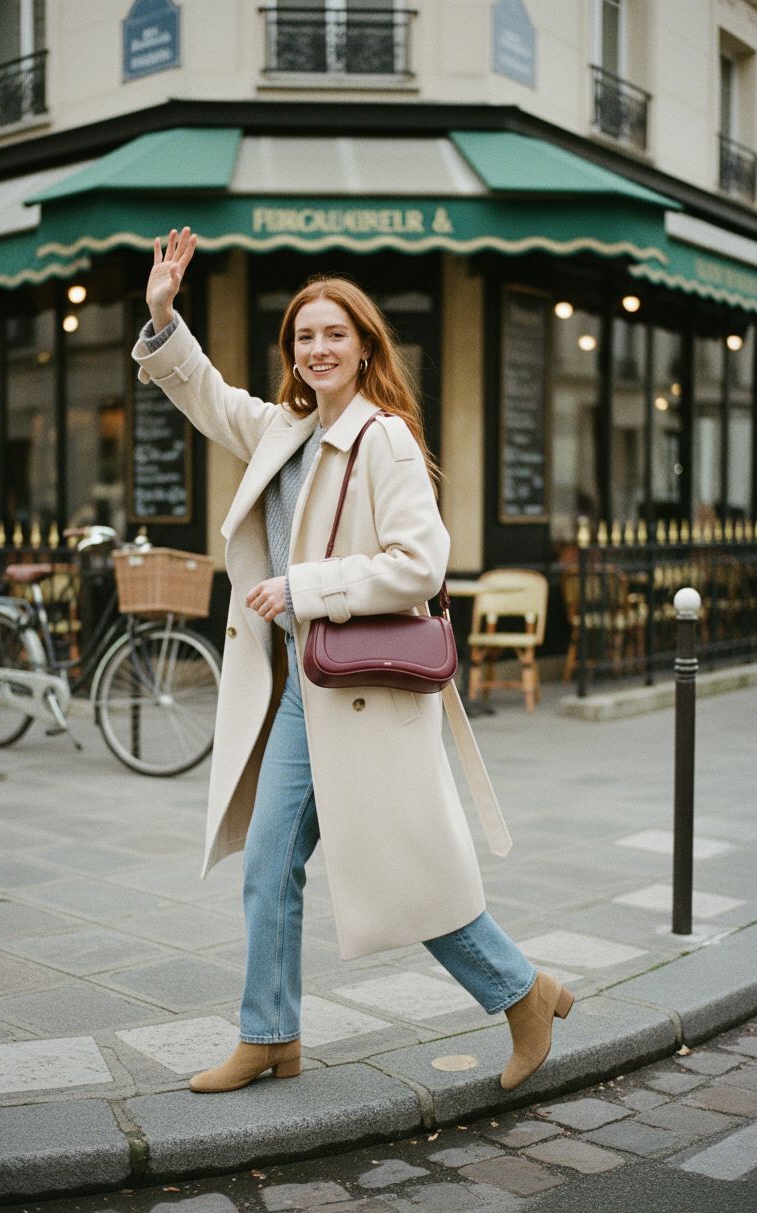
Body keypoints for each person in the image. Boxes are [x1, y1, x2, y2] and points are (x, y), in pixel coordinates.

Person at [132, 227, 573, 1095]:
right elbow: (210, 398)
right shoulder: (287, 429)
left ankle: (522, 993)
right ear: (291, 354)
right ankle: (269, 1037)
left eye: (335, 333)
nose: (318, 348)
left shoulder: (386, 440)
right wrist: (162, 315)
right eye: (304, 336)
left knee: (404, 872)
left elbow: (422, 563)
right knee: (269, 863)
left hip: (362, 687)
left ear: (365, 344)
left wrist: (305, 587)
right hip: (305, 688)